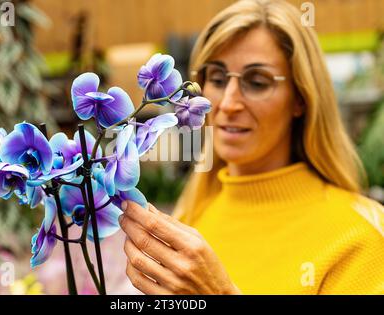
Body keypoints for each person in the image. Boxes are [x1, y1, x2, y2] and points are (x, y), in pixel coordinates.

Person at [118, 0, 384, 294]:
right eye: (217, 79)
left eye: (257, 82)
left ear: (300, 98)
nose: (229, 103)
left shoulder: (360, 236)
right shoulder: (191, 217)